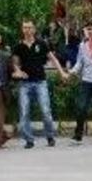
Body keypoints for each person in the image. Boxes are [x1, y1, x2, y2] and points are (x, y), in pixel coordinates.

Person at [11, 20, 63, 149]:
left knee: (45, 111)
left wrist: (62, 72)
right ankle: (29, 140)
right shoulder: (18, 46)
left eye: (30, 27)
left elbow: (53, 58)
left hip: (40, 82)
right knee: (24, 112)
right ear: (22, 30)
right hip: (25, 84)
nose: (27, 30)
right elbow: (15, 63)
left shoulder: (42, 43)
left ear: (34, 29)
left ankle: (50, 136)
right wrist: (18, 71)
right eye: (25, 27)